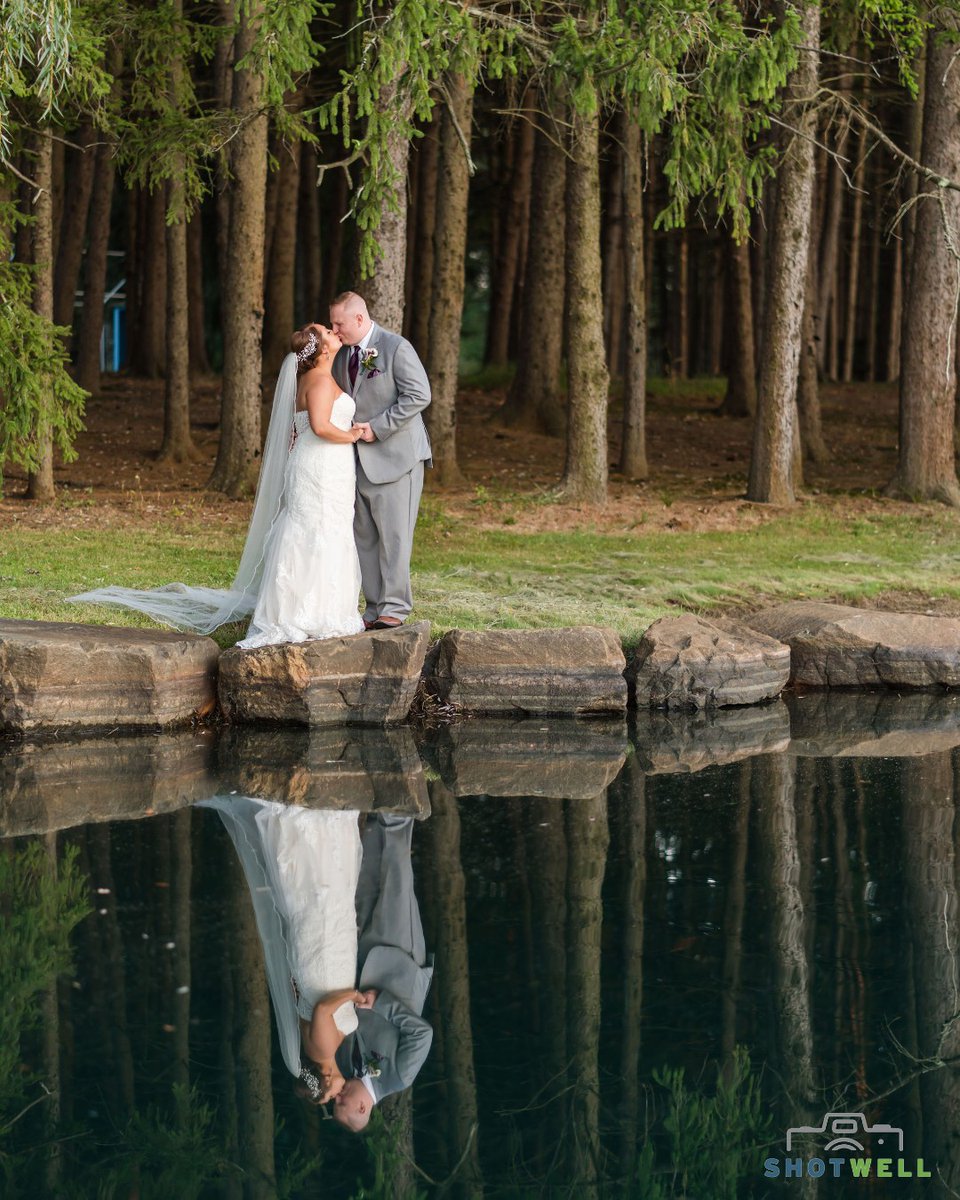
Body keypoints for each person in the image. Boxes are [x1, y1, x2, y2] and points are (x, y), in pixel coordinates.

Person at [68, 325, 364, 646]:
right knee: (316, 530)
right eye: (327, 332)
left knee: (323, 529)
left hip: (328, 466)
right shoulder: (319, 381)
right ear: (322, 350)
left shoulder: (315, 378)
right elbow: (321, 426)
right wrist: (352, 435)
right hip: (320, 467)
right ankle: (307, 612)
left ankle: (317, 607)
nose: (334, 332)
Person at [197, 797, 369, 1103]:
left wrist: (354, 997)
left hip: (325, 964)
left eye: (328, 1096)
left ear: (324, 1080)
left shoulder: (322, 1050)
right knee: (320, 897)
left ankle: (306, 821)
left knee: (321, 900)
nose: (336, 1096)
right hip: (322, 965)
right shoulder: (316, 1050)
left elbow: (324, 1010)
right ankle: (308, 824)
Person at [329, 292, 432, 631]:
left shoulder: (396, 348)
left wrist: (379, 427)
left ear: (359, 319)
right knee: (365, 536)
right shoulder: (344, 356)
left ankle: (396, 607)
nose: (335, 329)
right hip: (357, 460)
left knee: (395, 536)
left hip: (397, 459)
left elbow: (419, 395)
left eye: (339, 323)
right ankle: (373, 608)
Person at [331, 813, 434, 1132]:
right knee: (397, 877)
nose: (338, 1098)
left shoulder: (346, 1065)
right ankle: (397, 804)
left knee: (368, 876)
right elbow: (421, 1032)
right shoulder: (399, 1077)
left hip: (364, 957)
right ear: (363, 1107)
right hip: (399, 960)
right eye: (342, 1104)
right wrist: (381, 1004)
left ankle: (374, 811)